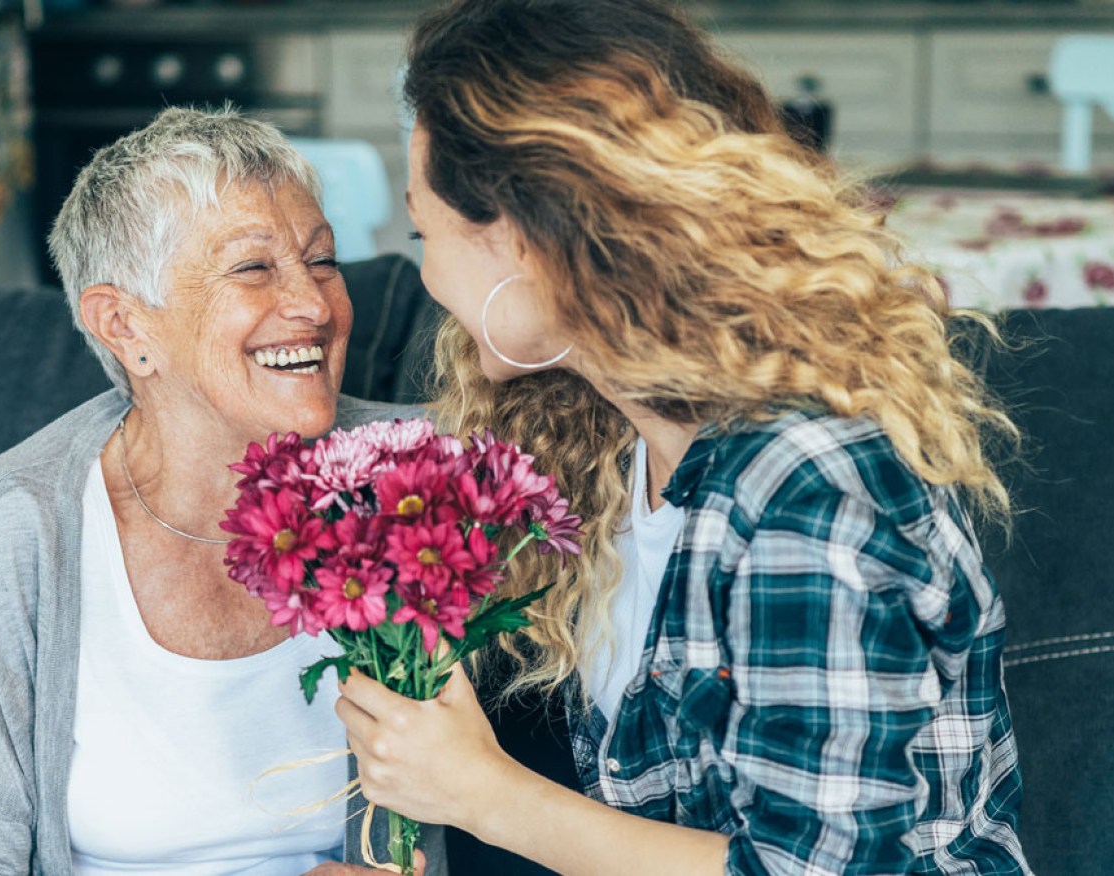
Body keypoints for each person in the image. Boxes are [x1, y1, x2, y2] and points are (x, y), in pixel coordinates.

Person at [334, 2, 1033, 874]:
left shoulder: (802, 487)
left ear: (520, 241)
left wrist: (481, 795)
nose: (427, 271)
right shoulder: (615, 443)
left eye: (422, 231)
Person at [0, 107, 436, 875]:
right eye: (252, 268)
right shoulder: (18, 527)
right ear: (124, 326)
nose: (314, 306)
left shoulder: (424, 483)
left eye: (322, 261)